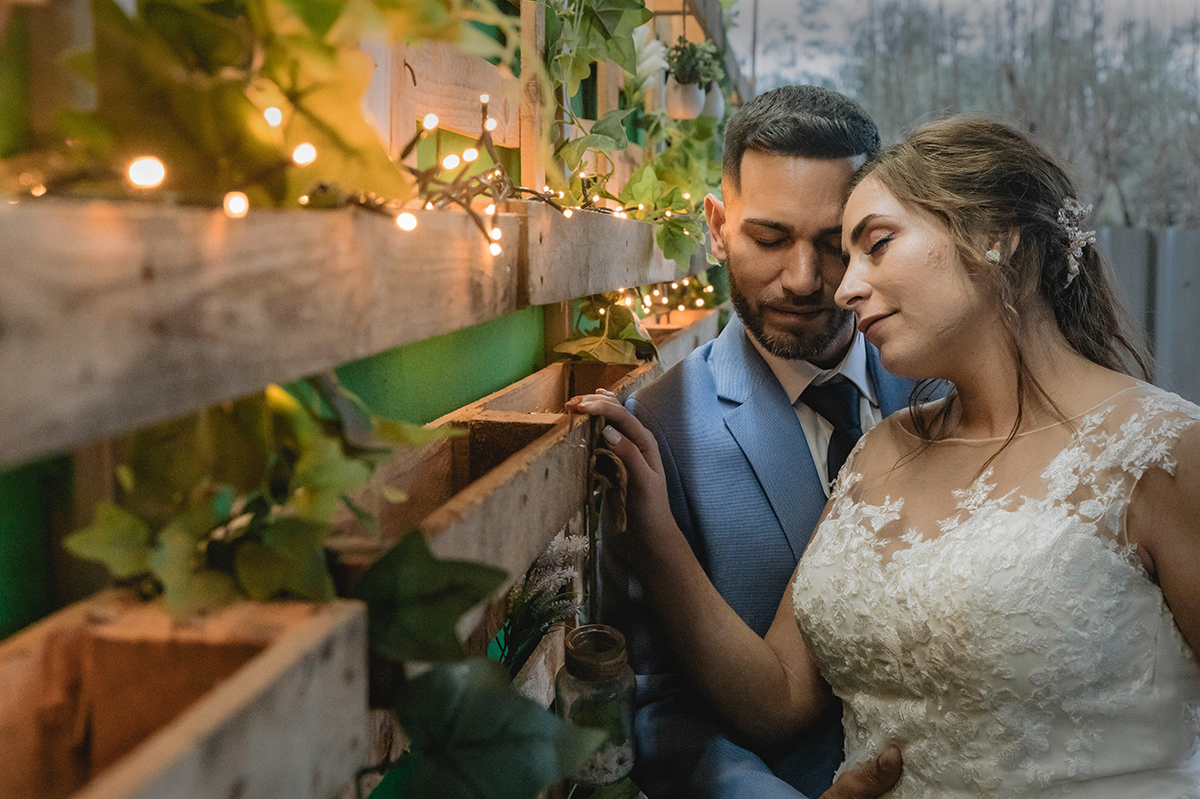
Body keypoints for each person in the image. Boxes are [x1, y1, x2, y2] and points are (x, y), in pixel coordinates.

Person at [571, 115, 1200, 797]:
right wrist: (656, 529)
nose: (839, 287)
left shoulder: (1165, 451)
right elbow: (778, 697)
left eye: (874, 244)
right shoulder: (880, 451)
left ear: (995, 236)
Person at [599, 85, 919, 798]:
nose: (803, 279)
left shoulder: (944, 382)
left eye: (835, 244)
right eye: (769, 239)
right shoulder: (663, 426)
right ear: (717, 226)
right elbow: (656, 705)